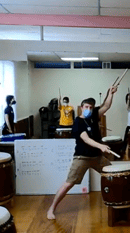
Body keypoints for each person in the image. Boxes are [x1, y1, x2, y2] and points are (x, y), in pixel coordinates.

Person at [46, 85, 118, 220]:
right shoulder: (78, 122)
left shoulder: (94, 116)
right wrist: (101, 146)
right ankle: (52, 208)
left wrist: (111, 93)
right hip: (82, 158)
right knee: (68, 183)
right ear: (81, 107)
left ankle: (115, 202)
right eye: (86, 107)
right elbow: (85, 138)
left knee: (113, 175)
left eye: (91, 107)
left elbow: (106, 105)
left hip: (97, 157)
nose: (89, 109)